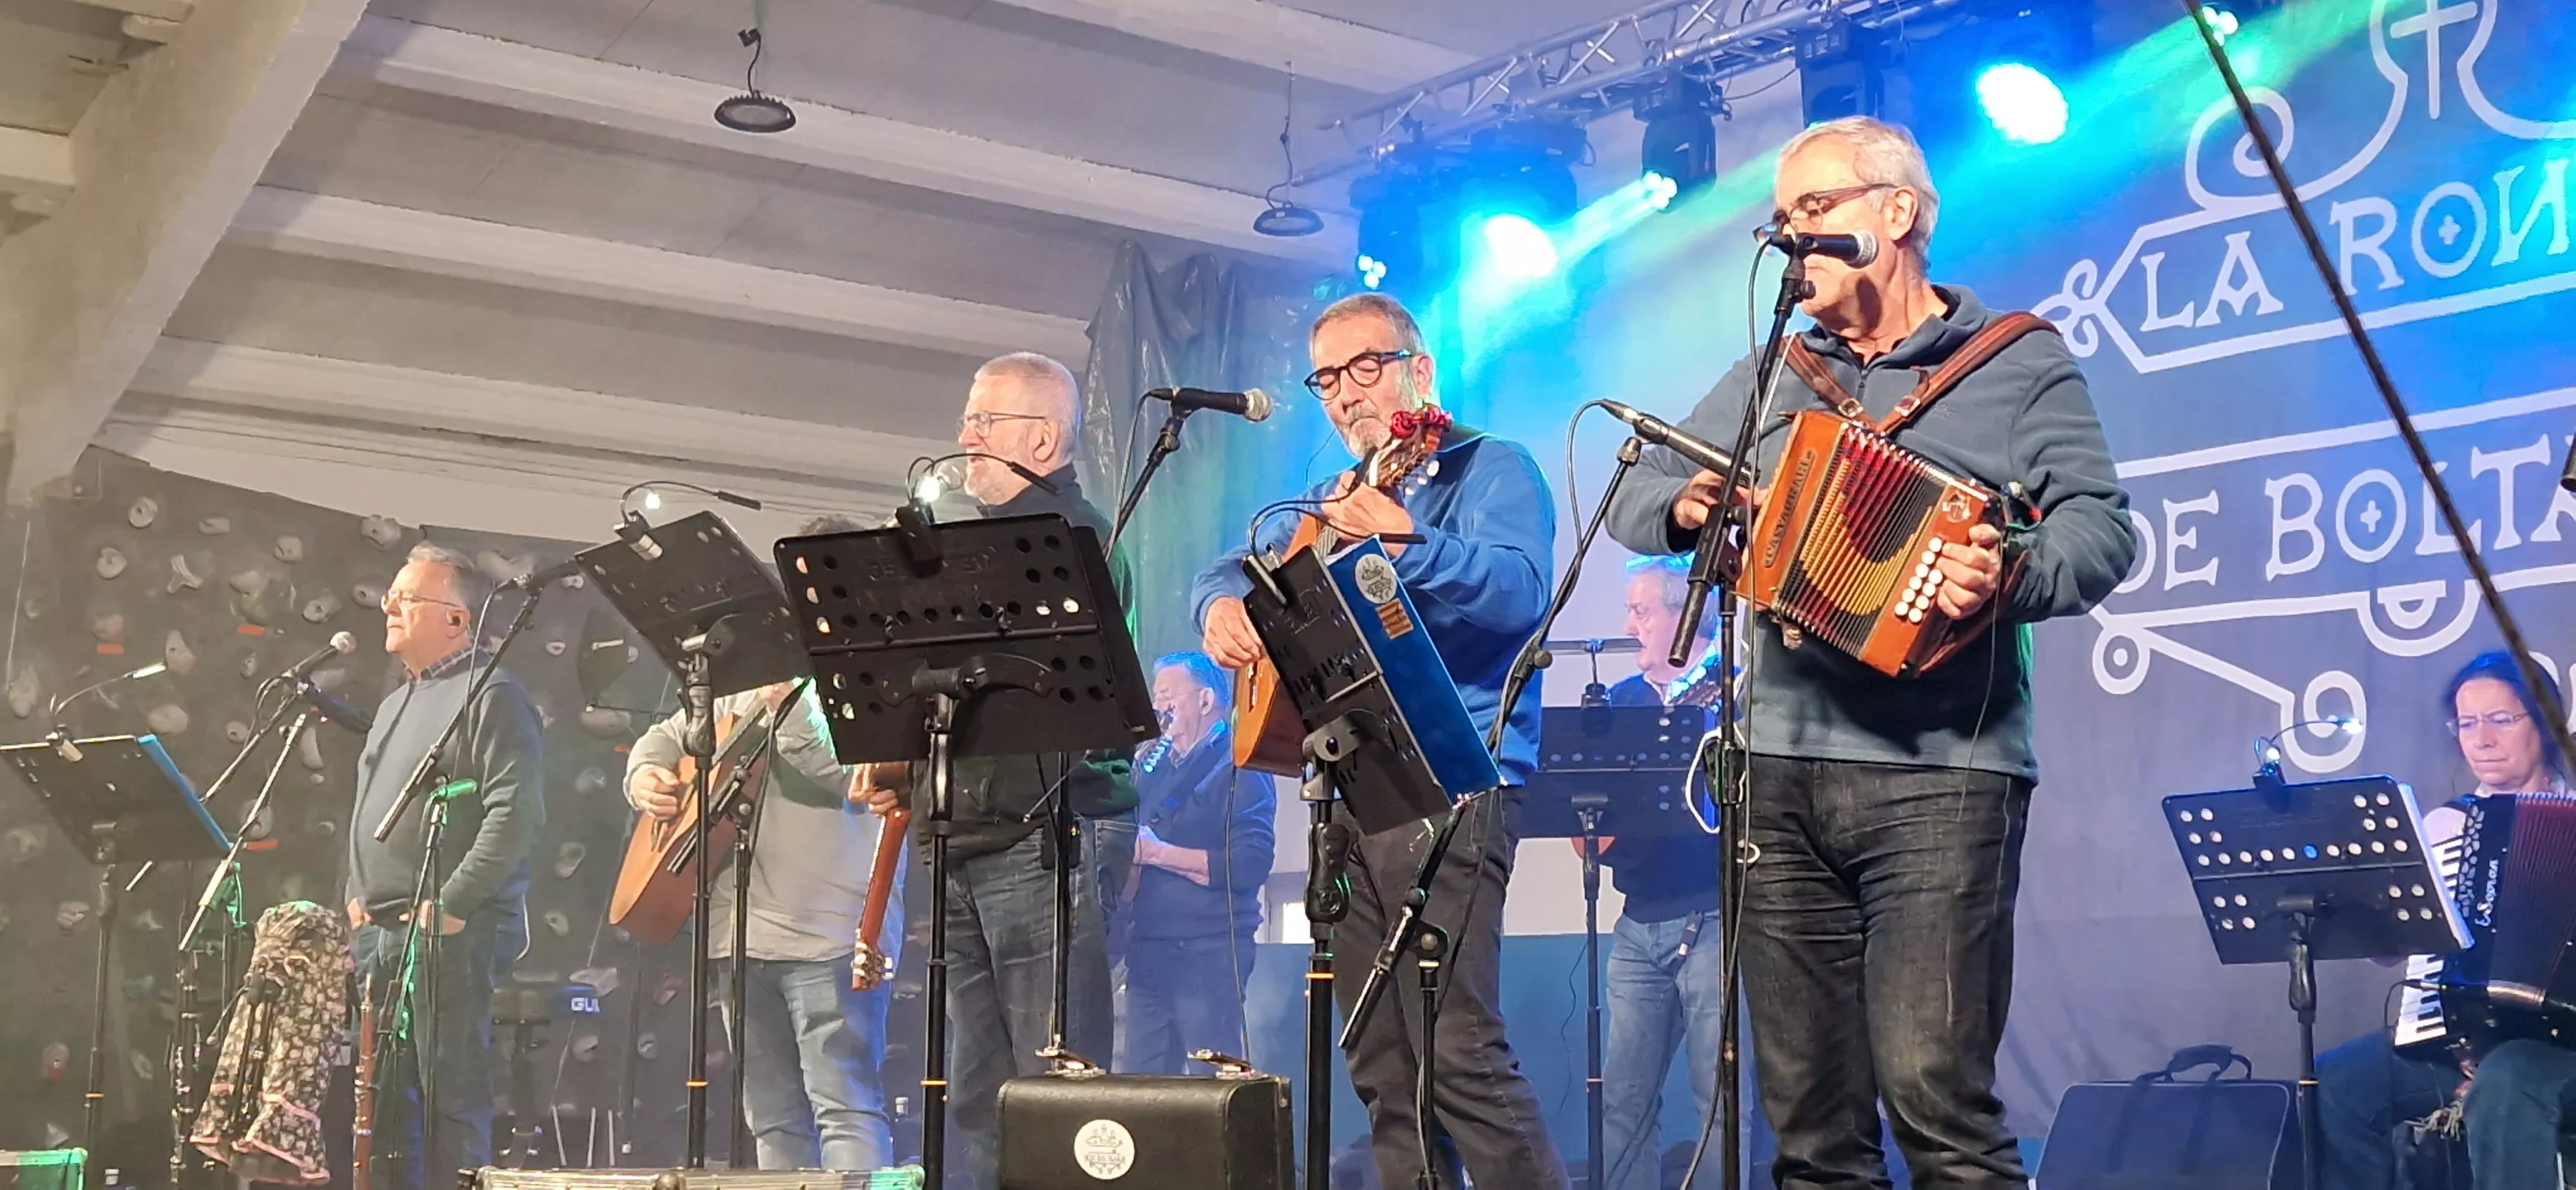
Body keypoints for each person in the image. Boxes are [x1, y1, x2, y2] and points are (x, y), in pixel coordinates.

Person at [1605, 116, 2136, 1187]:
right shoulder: (1781, 368)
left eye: (1816, 210)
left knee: (1936, 1098)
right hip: (1781, 772)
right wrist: (1689, 505)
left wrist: (2009, 569)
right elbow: (1636, 486)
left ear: (1895, 214)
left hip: (1943, 776)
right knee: (1809, 1124)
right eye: (1784, 219)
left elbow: (2104, 529)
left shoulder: (2015, 361)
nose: (1792, 237)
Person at [1195, 291, 1569, 1190]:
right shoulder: (1334, 499)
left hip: (1458, 781)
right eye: (1327, 377)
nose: (1344, 393)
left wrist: (1409, 540)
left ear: (1418, 372)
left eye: (1365, 367)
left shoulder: (1490, 468)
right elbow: (1234, 561)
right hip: (1354, 789)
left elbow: (1520, 594)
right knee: (1381, 1062)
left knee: (1459, 1050)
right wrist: (1214, 604)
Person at [862, 352, 1137, 1189]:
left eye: (985, 422)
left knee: (1055, 1083)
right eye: (966, 420)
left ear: (1044, 436)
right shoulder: (968, 547)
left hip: (1044, 834)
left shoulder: (1078, 539)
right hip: (963, 834)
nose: (964, 438)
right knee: (974, 1088)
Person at [623, 515, 900, 1171]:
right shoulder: (751, 666)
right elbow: (668, 733)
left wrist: (790, 706)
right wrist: (646, 777)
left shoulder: (876, 667)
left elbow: (852, 775)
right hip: (738, 933)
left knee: (844, 1105)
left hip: (831, 933)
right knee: (770, 1115)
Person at [2313, 651, 2576, 1190]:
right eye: (2467, 723)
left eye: (2501, 720)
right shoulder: (2443, 826)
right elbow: (2393, 951)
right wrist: (2367, 906)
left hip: (2558, 1051)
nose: (2481, 739)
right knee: (2338, 1080)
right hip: (2455, 1045)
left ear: (2546, 721)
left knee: (2507, 1081)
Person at [345, 543, 546, 1190]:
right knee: (382, 1113)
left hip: (446, 936)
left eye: (407, 597)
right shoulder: (397, 703)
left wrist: (453, 906)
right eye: (391, 595)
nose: (389, 606)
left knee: (449, 1107)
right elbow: (366, 812)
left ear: (458, 620)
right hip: (379, 932)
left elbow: (517, 813)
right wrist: (355, 893)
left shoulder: (494, 695)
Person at [1588, 555, 1736, 1189]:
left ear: (1685, 616)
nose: (1629, 626)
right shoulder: (1616, 703)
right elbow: (1585, 837)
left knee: (1718, 1100)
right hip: (1635, 926)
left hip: (1713, 919)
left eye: (1641, 611)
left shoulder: (1731, 689)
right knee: (1622, 1100)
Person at [1117, 651, 1276, 1075]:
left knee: (1211, 1085)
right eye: (1156, 698)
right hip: (1148, 950)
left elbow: (1250, 864)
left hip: (1208, 953)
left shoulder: (1242, 764)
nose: (1159, 708)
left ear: (1206, 701)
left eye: (1169, 696)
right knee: (1142, 1088)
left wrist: (1156, 853)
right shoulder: (1149, 769)